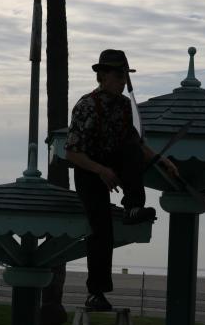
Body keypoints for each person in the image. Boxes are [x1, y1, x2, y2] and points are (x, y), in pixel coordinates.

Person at [65, 49, 179, 311]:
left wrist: (162, 160)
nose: (122, 80)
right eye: (118, 74)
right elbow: (72, 152)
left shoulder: (124, 106)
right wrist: (100, 170)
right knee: (101, 229)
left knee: (130, 148)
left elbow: (135, 145)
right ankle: (96, 293)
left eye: (125, 75)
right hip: (88, 168)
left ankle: (133, 206)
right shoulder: (85, 105)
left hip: (113, 161)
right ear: (102, 76)